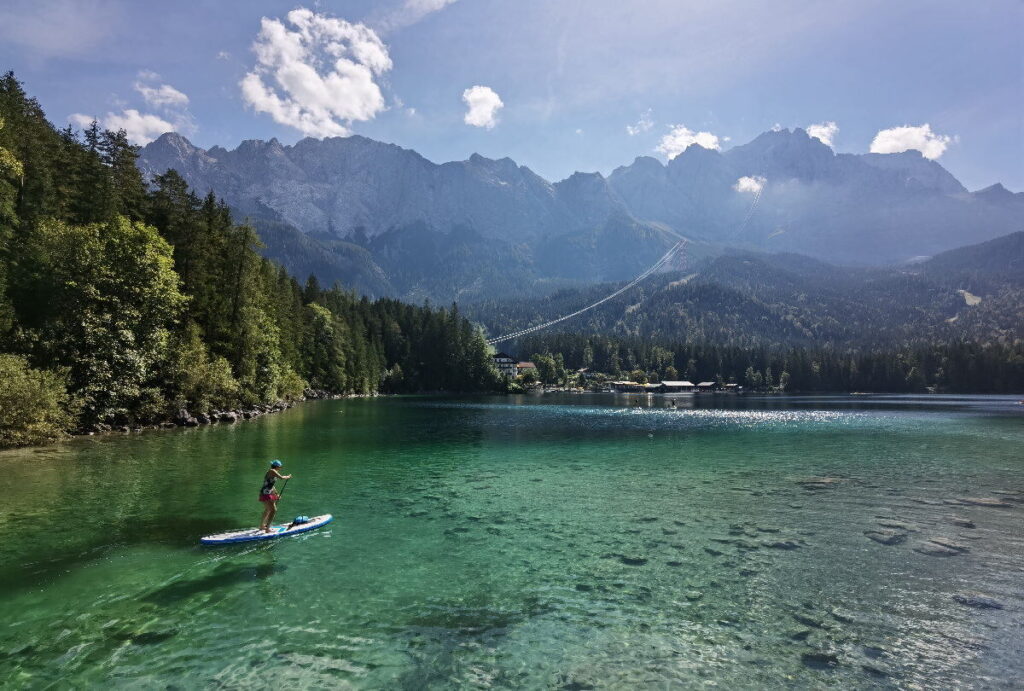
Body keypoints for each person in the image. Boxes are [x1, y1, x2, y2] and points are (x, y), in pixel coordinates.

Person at [259, 460, 292, 533]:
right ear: (277, 466)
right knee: (273, 510)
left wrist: (276, 494)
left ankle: (262, 526)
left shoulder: (272, 472)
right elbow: (281, 477)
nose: (280, 468)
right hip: (266, 493)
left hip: (267, 492)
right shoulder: (272, 471)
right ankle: (267, 529)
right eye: (280, 467)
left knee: (268, 509)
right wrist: (288, 476)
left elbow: (271, 485)